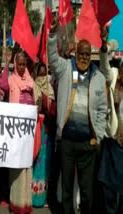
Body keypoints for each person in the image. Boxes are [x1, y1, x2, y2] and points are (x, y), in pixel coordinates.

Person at [48, 18, 107, 214]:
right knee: (66, 190)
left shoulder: (98, 77)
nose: (83, 57)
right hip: (67, 142)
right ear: (75, 53)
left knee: (87, 191)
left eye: (86, 53)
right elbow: (52, 58)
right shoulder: (66, 68)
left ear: (90, 55)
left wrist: (97, 136)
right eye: (80, 53)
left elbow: (101, 110)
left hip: (87, 144)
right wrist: (52, 35)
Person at [0, 51, 35, 214]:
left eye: (24, 64)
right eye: (19, 64)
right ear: (15, 64)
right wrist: (7, 64)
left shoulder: (31, 81)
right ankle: (15, 203)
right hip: (15, 133)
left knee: (26, 167)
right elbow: (2, 85)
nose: (22, 67)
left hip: (28, 134)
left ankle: (25, 203)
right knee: (16, 167)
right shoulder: (11, 80)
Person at [98, 27, 123, 214]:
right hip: (110, 139)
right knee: (107, 184)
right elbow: (105, 67)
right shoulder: (113, 75)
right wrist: (104, 47)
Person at [32, 64, 55, 207]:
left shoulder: (50, 88)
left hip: (46, 130)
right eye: (39, 75)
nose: (42, 78)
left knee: (45, 162)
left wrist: (48, 100)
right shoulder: (33, 87)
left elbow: (52, 109)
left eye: (44, 75)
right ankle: (33, 196)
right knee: (35, 161)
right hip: (36, 130)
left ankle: (43, 197)